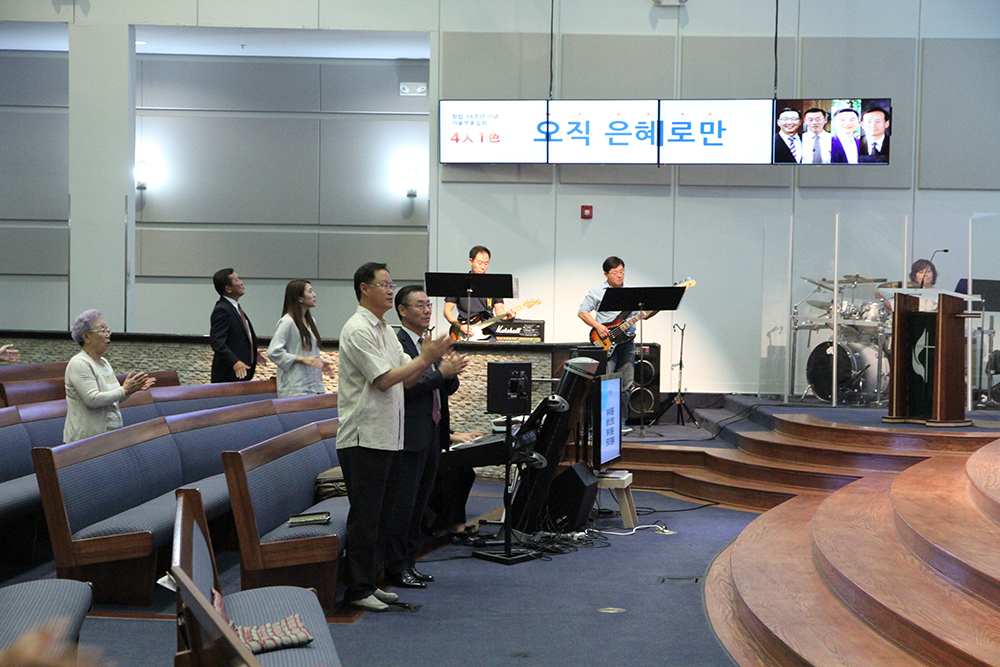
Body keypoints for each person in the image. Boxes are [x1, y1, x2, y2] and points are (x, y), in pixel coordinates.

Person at [336, 262, 453, 612]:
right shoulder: (357, 329)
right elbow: (385, 380)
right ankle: (357, 589)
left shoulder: (385, 330)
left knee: (383, 517)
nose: (390, 290)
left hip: (389, 435)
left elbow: (409, 377)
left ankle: (371, 582)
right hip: (364, 436)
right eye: (384, 285)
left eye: (391, 285)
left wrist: (429, 362)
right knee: (366, 518)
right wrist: (427, 358)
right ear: (364, 288)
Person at [385, 285, 469, 589]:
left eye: (428, 305)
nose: (427, 310)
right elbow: (405, 387)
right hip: (409, 434)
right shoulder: (398, 343)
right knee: (404, 505)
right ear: (402, 310)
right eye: (419, 305)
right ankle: (396, 567)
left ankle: (410, 562)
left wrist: (450, 372)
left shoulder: (428, 343)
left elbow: (444, 388)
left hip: (433, 433)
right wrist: (439, 373)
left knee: (420, 504)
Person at [578, 257, 655, 429]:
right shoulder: (597, 291)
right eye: (615, 273)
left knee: (626, 384)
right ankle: (602, 423)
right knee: (606, 382)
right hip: (606, 341)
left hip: (627, 342)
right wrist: (598, 326)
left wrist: (658, 305)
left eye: (622, 272)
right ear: (606, 274)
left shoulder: (631, 293)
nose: (620, 275)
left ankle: (621, 423)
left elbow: (645, 315)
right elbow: (582, 312)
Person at [63, 310, 155, 443]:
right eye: (102, 330)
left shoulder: (104, 363)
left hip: (110, 438)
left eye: (108, 330)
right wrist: (124, 390)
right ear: (86, 337)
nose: (108, 335)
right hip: (87, 441)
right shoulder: (79, 363)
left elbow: (113, 400)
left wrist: (131, 390)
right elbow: (93, 400)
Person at [266, 280, 332, 398]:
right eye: (310, 291)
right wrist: (302, 359)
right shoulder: (287, 322)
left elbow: (305, 351)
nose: (314, 294)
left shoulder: (311, 321)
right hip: (295, 388)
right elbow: (273, 352)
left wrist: (318, 361)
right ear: (300, 298)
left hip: (313, 385)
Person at [443, 245, 513, 339]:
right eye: (479, 263)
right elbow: (447, 311)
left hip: (488, 332)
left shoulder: (493, 284)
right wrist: (460, 327)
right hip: (464, 331)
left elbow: (500, 311)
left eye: (486, 263)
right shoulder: (459, 283)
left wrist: (509, 317)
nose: (483, 267)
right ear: (471, 261)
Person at [209, 268, 265, 383]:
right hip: (228, 376)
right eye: (237, 280)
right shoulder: (223, 310)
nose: (241, 282)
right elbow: (217, 342)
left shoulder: (234, 308)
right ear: (228, 289)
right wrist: (235, 361)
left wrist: (252, 352)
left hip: (242, 372)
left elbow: (237, 338)